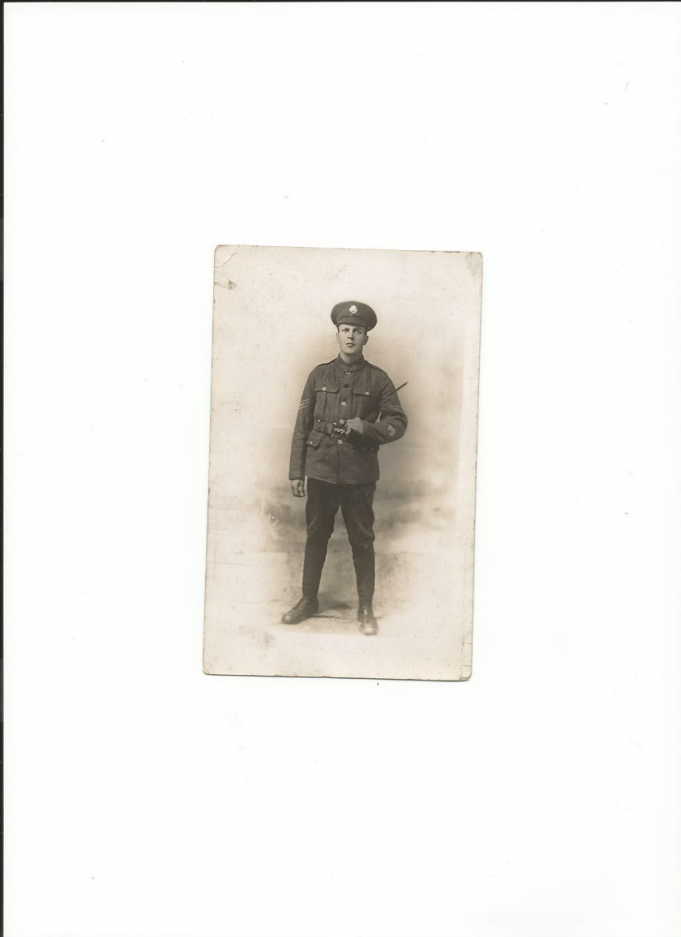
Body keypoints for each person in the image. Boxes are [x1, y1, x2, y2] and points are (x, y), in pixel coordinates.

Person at [282, 301, 408, 635]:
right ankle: (308, 600)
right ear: (338, 334)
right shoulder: (319, 375)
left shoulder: (378, 379)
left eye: (358, 331)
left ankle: (365, 608)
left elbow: (398, 423)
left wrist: (367, 428)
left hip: (358, 474)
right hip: (321, 469)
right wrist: (296, 471)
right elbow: (302, 425)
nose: (351, 336)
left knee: (362, 540)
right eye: (346, 330)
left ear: (366, 337)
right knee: (316, 536)